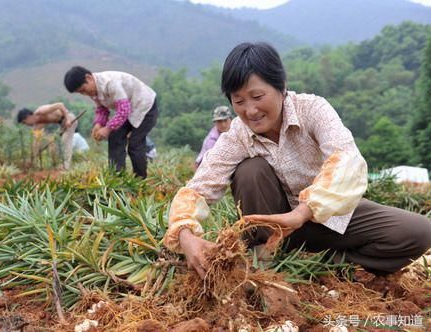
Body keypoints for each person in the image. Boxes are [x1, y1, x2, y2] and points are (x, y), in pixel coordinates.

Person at [163, 42, 431, 279]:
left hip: (325, 216)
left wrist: (302, 213)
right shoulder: (237, 134)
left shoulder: (313, 109)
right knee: (250, 170)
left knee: (419, 232)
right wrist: (185, 235)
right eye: (239, 101)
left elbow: (346, 159)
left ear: (281, 87)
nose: (250, 110)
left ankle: (327, 263)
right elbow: (199, 187)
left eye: (257, 97)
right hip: (273, 228)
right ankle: (264, 258)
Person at [64, 66, 158, 178]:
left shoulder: (110, 83)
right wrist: (98, 124)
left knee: (135, 144)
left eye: (83, 90)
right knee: (115, 137)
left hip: (145, 106)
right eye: (80, 93)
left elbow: (123, 110)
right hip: (130, 109)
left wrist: (107, 128)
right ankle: (117, 177)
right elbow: (102, 109)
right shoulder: (93, 91)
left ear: (88, 78)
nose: (84, 93)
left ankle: (140, 179)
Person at [16, 102, 77, 170]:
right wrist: (32, 157)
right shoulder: (37, 125)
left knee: (65, 141)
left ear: (28, 117)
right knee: (57, 146)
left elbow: (60, 105)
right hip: (62, 125)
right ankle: (61, 165)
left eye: (25, 122)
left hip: (69, 118)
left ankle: (66, 167)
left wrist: (68, 119)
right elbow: (35, 142)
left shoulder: (41, 111)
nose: (26, 125)